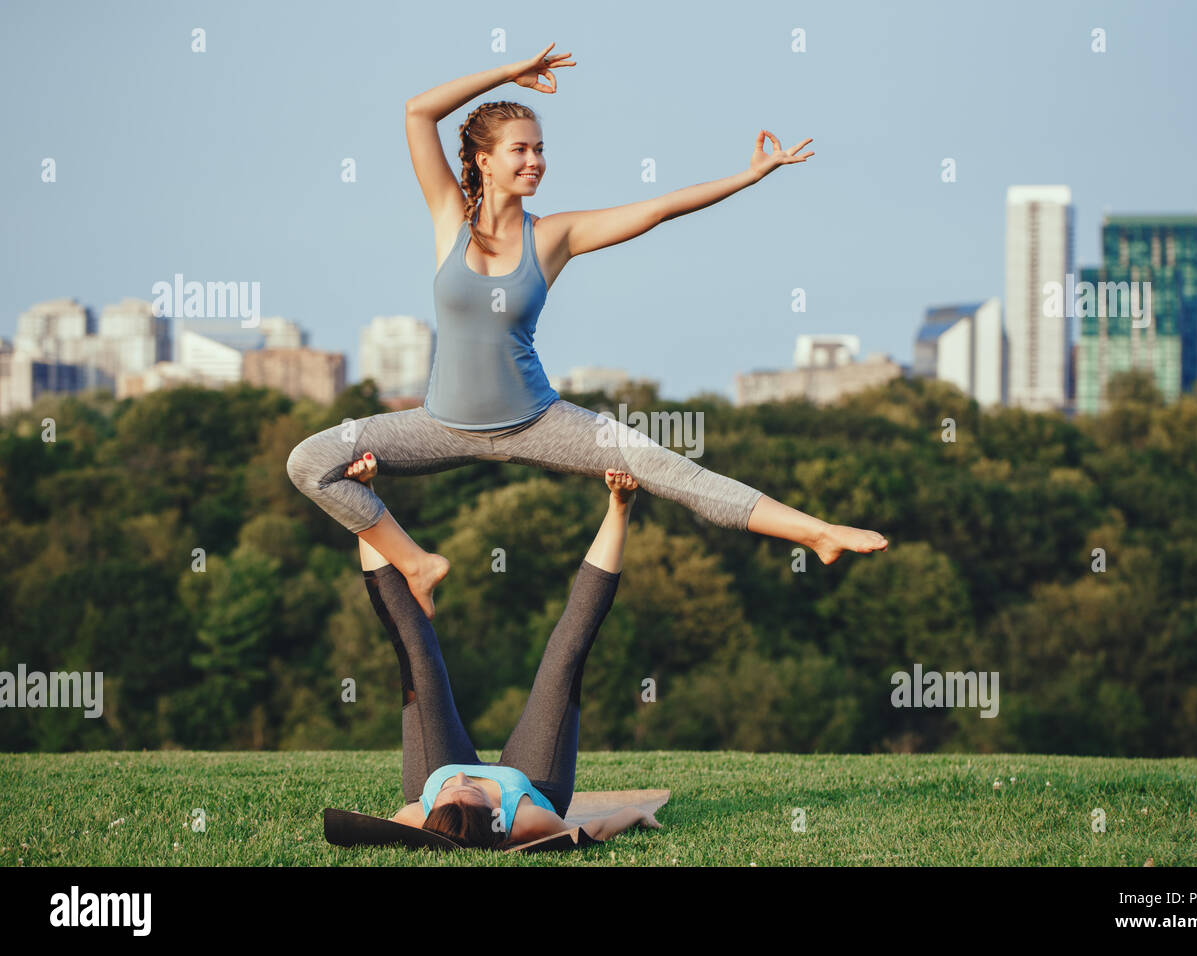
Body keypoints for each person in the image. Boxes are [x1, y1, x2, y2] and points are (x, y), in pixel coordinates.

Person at [286, 42, 887, 620]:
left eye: (541, 149)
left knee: (671, 470)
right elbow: (418, 111)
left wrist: (748, 176)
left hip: (540, 421)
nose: (535, 162)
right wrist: (510, 72)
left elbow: (658, 209)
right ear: (483, 160)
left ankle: (818, 532)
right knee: (309, 462)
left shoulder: (553, 236)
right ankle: (417, 563)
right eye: (520, 149)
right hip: (440, 426)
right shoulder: (449, 218)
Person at [361, 461, 658, 849]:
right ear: (497, 818)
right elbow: (594, 832)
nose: (465, 779)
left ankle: (362, 499)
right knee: (566, 655)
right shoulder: (529, 821)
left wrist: (356, 500)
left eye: (453, 790)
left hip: (433, 767)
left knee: (416, 653)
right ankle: (620, 506)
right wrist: (636, 814)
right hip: (533, 782)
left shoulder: (415, 815)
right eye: (474, 792)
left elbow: (359, 830)